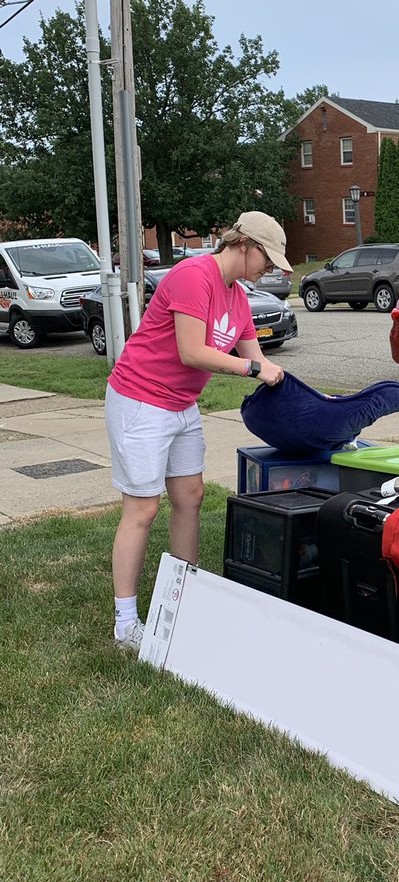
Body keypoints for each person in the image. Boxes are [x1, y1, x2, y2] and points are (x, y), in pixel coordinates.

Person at [104, 211, 289, 650]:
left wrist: (284, 384)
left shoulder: (238, 298)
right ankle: (125, 623)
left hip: (181, 405)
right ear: (244, 244)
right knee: (143, 510)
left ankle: (183, 598)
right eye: (268, 258)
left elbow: (260, 359)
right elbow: (192, 351)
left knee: (190, 496)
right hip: (140, 400)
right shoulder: (194, 275)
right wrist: (254, 369)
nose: (270, 269)